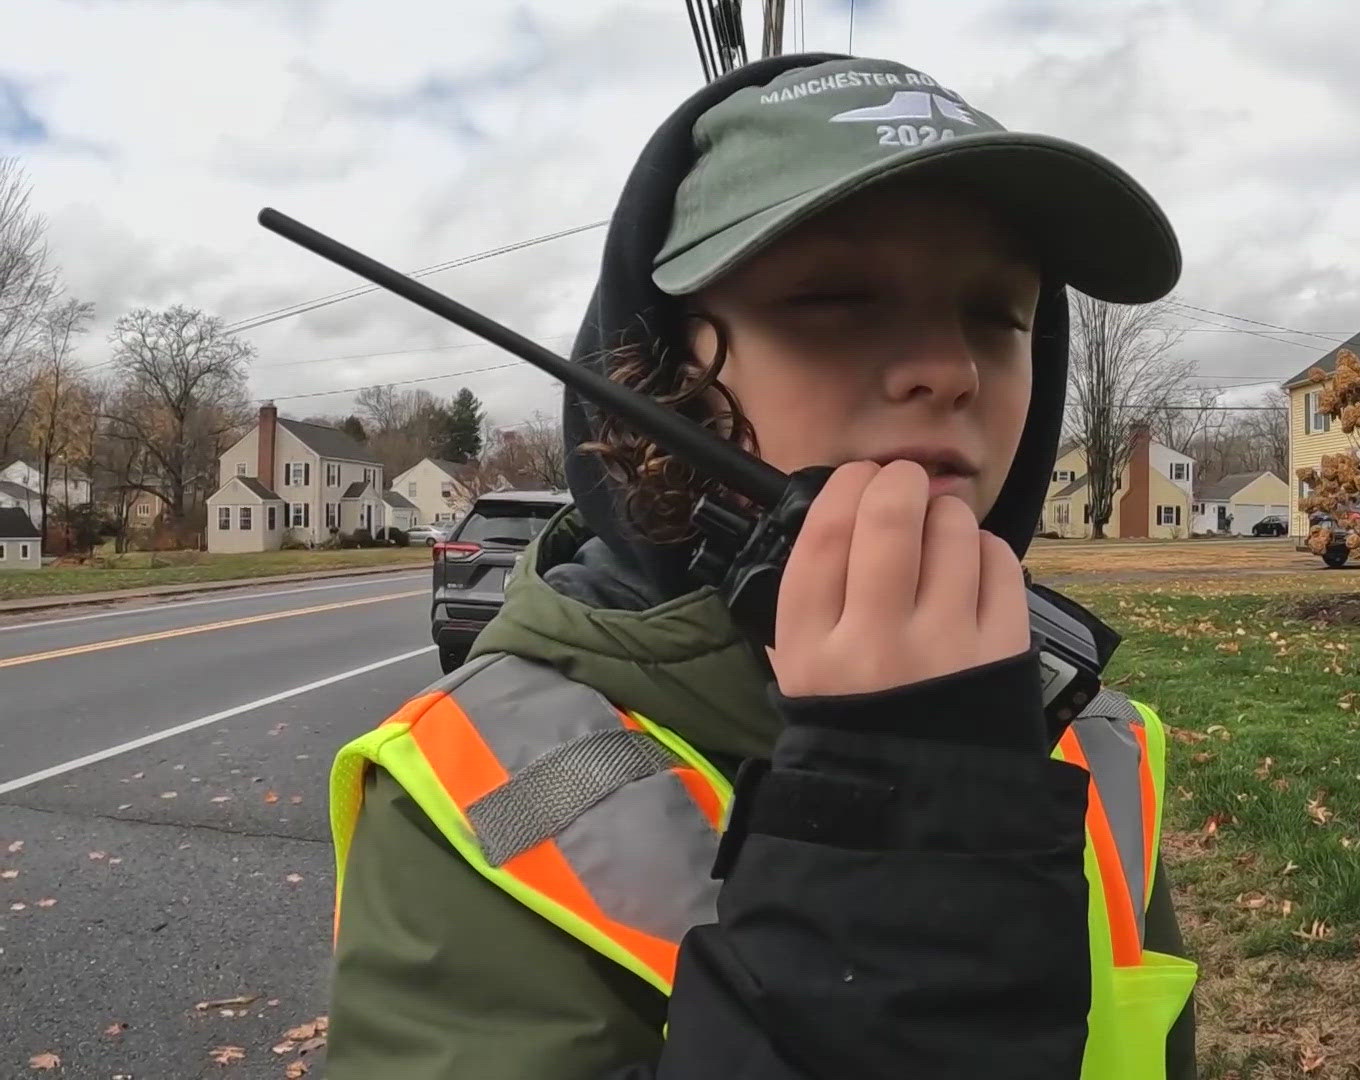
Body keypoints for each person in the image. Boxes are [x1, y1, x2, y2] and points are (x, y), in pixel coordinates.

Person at [326, 53, 1197, 1079]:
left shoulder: (1094, 740)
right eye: (836, 297)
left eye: (996, 314)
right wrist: (897, 837)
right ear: (660, 376)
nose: (952, 369)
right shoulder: (481, 795)